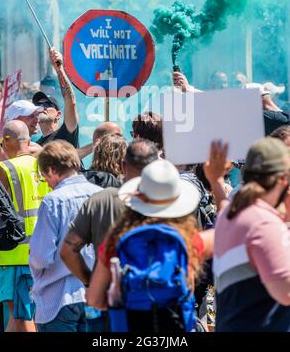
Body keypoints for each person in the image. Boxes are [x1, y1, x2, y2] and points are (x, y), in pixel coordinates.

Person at [86, 159, 214, 332]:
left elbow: (94, 299)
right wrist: (218, 183)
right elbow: (225, 233)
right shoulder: (185, 241)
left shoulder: (116, 241)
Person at [60, 139, 159, 332]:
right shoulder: (172, 200)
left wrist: (90, 281)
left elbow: (67, 250)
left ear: (123, 165)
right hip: (160, 300)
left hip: (108, 301)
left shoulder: (101, 201)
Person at [206, 138, 290, 331]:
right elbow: (285, 293)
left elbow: (222, 206)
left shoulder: (231, 213)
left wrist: (216, 181)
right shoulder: (264, 223)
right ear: (284, 179)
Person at [29, 140, 101, 333]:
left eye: (43, 175)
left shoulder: (54, 201)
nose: (45, 180)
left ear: (51, 170)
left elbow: (41, 256)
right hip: (96, 295)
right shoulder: (100, 195)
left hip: (58, 298)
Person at [0, 120, 49, 332]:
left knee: (22, 317)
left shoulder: (5, 169)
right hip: (45, 252)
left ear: (6, 141)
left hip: (15, 254)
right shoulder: (46, 163)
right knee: (21, 318)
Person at [32, 47, 79, 148]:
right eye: (38, 105)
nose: (42, 107)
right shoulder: (36, 147)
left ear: (58, 115)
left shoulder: (66, 132)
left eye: (47, 104)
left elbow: (70, 102)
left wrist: (59, 70)